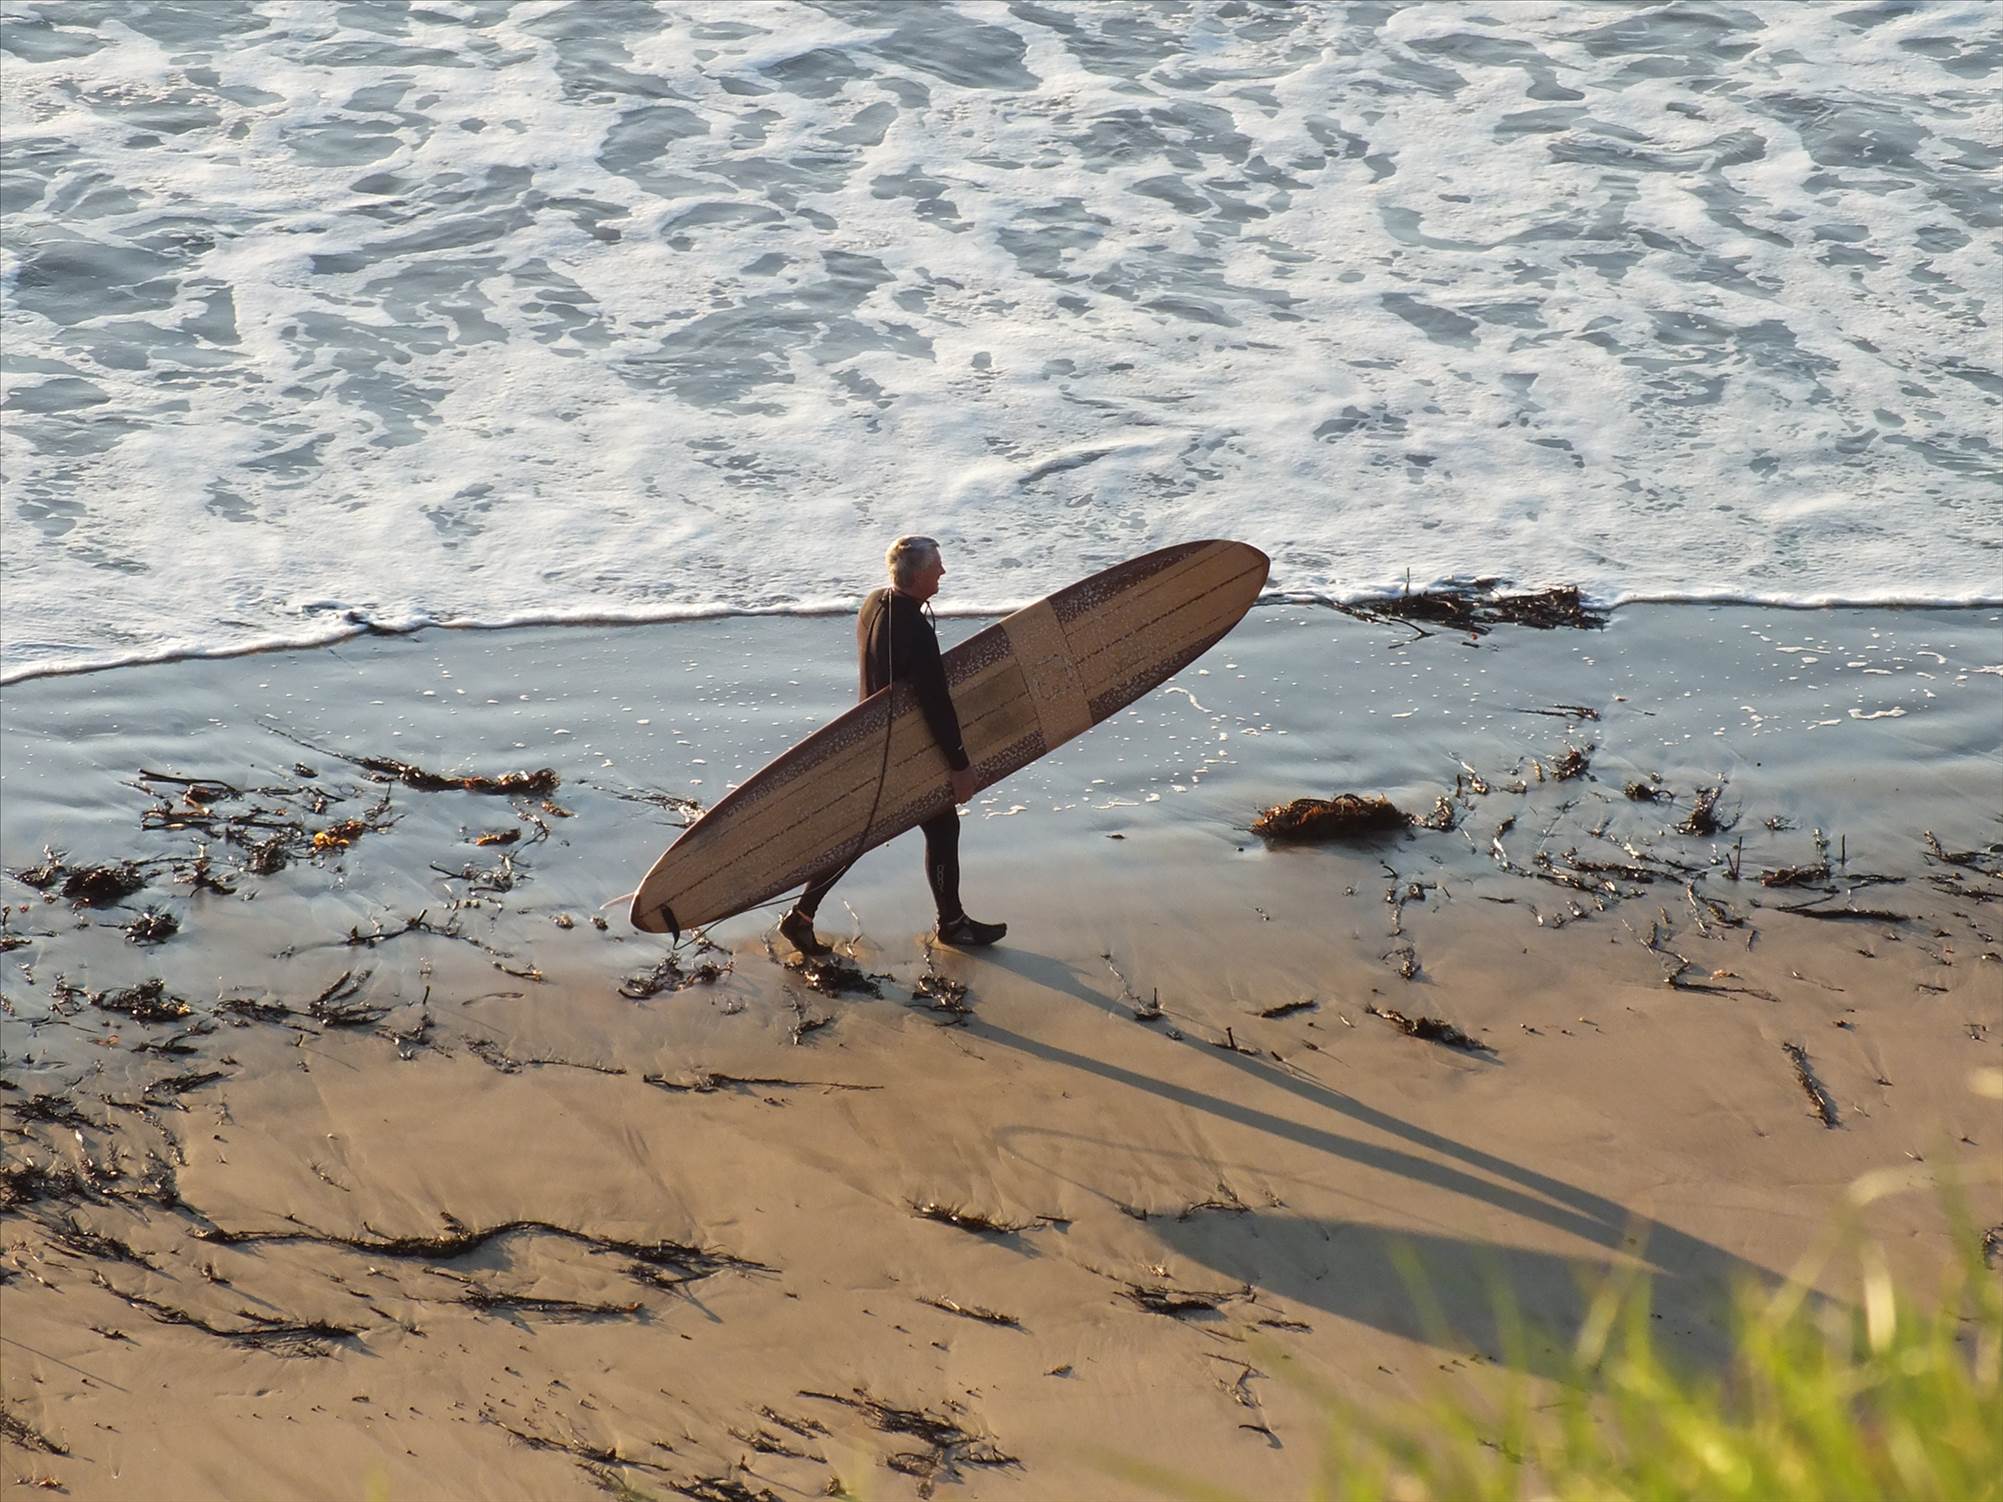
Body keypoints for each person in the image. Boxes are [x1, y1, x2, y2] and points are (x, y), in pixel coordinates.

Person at [779, 536, 1007, 955]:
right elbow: (935, 704)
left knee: (902, 829)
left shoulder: (874, 603)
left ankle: (804, 917)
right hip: (899, 751)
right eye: (937, 566)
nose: (943, 572)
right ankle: (950, 924)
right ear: (917, 576)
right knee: (925, 829)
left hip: (872, 738)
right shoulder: (915, 631)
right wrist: (959, 765)